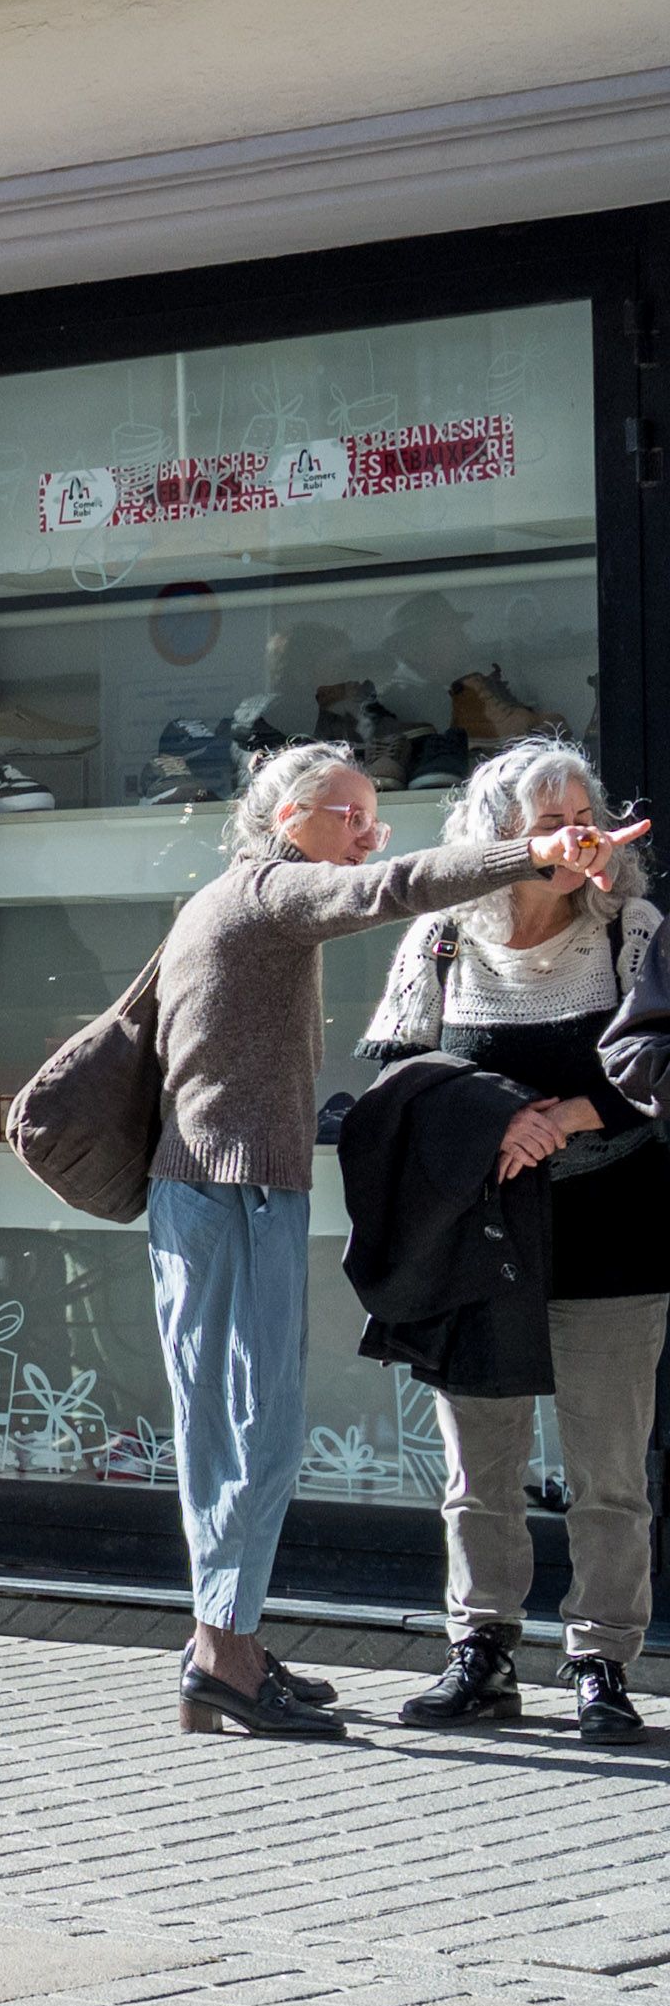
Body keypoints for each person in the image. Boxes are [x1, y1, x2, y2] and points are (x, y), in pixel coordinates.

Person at [144, 738, 635, 1737]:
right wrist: (529, 855)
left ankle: (225, 1642)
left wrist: (566, 1117)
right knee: (301, 1442)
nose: (372, 833)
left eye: (374, 811)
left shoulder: (632, 933)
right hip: (327, 1211)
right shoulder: (341, 911)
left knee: (237, 1430)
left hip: (589, 1233)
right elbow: (400, 939)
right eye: (352, 816)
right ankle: (266, 1658)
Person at [367, 743, 670, 1741]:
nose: (578, 834)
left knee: (608, 1473)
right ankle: (480, 1654)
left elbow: (663, 1067)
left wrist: (568, 1116)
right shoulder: (441, 937)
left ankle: (599, 1664)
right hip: (480, 1242)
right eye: (550, 817)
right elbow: (396, 1088)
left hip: (612, 1234)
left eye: (587, 813)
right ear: (500, 835)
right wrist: (496, 1120)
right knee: (478, 1470)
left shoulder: (632, 929)